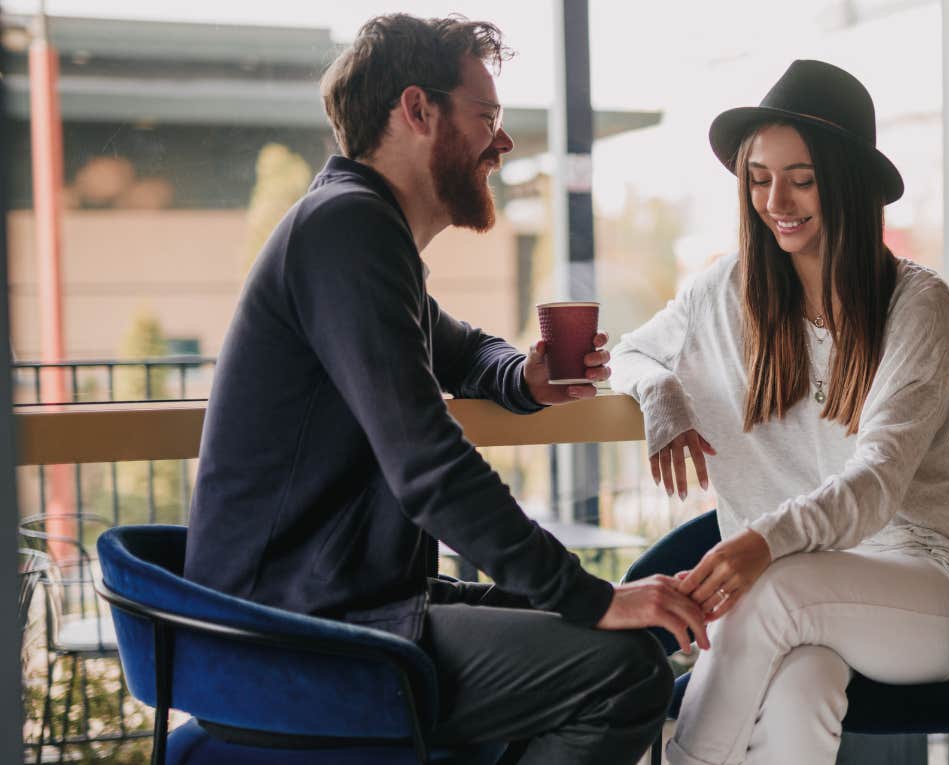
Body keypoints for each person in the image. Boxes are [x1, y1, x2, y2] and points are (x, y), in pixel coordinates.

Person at [183, 14, 708, 765]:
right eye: (487, 117)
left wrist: (521, 377)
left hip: (338, 607)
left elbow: (463, 348)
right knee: (621, 672)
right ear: (418, 111)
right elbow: (430, 467)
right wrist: (593, 594)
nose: (503, 142)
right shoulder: (348, 231)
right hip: (294, 638)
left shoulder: (363, 232)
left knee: (595, 638)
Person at [610, 60, 949, 765]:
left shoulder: (917, 303)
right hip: (810, 593)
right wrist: (660, 394)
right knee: (802, 691)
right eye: (759, 176)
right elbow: (631, 354)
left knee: (772, 591)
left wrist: (762, 541)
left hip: (926, 587)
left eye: (801, 177)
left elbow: (878, 479)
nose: (775, 198)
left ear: (847, 179)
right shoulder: (724, 292)